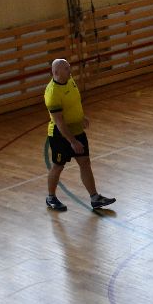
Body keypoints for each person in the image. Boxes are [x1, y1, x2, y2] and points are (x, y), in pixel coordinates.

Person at [43, 58, 116, 212]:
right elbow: (59, 122)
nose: (70, 70)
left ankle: (95, 198)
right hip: (60, 134)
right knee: (58, 166)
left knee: (85, 162)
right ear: (56, 72)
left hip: (77, 129)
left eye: (69, 67)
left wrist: (80, 117)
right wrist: (73, 141)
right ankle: (51, 197)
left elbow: (74, 102)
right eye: (66, 68)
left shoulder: (70, 80)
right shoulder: (52, 93)